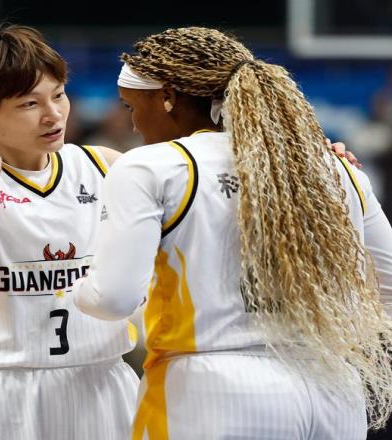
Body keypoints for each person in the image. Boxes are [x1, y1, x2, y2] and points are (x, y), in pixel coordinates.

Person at [72, 27, 392, 439]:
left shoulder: (150, 166)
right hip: (334, 387)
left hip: (213, 388)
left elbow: (113, 299)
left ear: (168, 97)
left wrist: (75, 288)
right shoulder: (333, 168)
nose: (133, 125)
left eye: (131, 106)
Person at [0, 24, 139, 440]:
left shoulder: (105, 165)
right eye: (30, 103)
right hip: (3, 391)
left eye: (59, 95)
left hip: (105, 379)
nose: (54, 114)